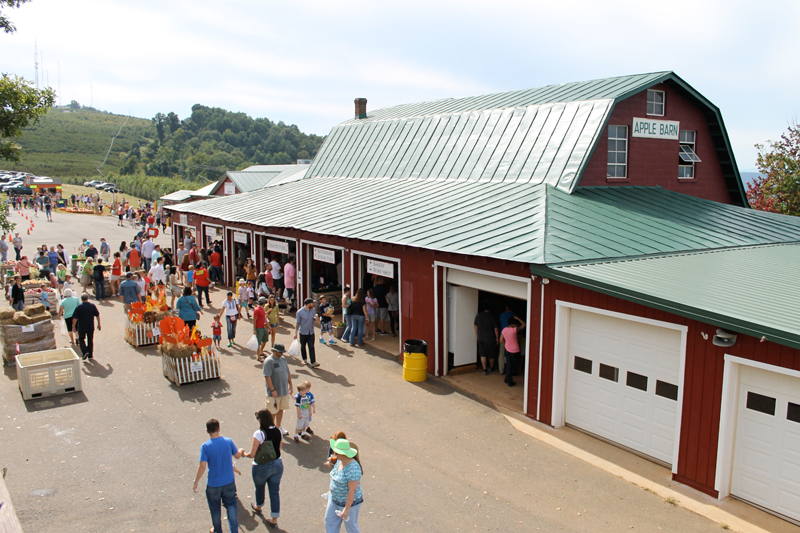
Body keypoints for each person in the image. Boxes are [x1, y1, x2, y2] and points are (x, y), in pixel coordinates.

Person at [193, 419, 246, 533]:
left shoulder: (205, 446)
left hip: (213, 484)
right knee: (231, 506)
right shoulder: (228, 441)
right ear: (219, 428)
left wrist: (196, 481)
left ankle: (217, 530)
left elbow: (202, 466)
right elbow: (237, 455)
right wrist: (241, 451)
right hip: (229, 482)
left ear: (207, 431)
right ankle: (234, 531)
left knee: (215, 510)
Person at [244, 409, 283, 527]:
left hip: (262, 466)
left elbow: (252, 454)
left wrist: (243, 454)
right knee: (274, 491)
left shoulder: (259, 433)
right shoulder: (278, 431)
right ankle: (274, 519)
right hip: (277, 464)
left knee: (260, 487)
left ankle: (258, 506)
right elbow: (279, 449)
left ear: (261, 419)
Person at [325, 438, 364, 533]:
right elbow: (335, 477)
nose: (334, 453)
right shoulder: (339, 461)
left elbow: (352, 490)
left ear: (342, 453)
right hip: (334, 500)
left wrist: (346, 509)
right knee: (330, 522)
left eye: (336, 452)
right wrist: (331, 491)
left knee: (351, 527)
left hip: (349, 504)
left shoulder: (353, 468)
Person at [263, 343, 293, 436]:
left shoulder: (283, 359)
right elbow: (267, 377)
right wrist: (272, 390)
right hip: (274, 393)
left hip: (283, 391)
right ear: (274, 351)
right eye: (280, 352)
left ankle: (278, 426)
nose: (282, 354)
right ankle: (271, 429)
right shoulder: (268, 361)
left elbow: (287, 372)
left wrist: (291, 385)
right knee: (272, 411)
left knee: (281, 409)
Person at [72, 293, 101, 360]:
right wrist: (99, 324)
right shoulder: (92, 306)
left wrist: (73, 326)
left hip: (82, 326)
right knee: (90, 340)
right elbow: (97, 315)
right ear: (87, 298)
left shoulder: (79, 307)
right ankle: (90, 355)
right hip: (90, 326)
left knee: (81, 339)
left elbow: (75, 318)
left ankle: (85, 351)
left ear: (81, 299)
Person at [294, 298, 321, 368]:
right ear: (308, 304)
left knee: (311, 346)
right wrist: (295, 333)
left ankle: (313, 362)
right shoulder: (299, 312)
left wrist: (315, 318)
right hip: (303, 332)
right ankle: (304, 359)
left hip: (311, 332)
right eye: (312, 303)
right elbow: (297, 323)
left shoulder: (313, 310)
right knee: (303, 346)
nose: (313, 305)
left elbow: (313, 318)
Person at [500, 316, 526, 387]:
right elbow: (524, 325)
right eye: (516, 324)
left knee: (509, 365)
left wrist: (508, 341)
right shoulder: (514, 330)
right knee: (511, 366)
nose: (517, 325)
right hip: (515, 350)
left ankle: (506, 379)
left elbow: (501, 340)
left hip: (507, 349)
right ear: (513, 324)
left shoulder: (504, 330)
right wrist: (518, 318)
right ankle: (510, 382)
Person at [474, 304, 499, 375]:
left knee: (483, 354)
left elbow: (475, 326)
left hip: (481, 338)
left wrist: (477, 335)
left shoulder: (478, 315)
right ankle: (491, 367)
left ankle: (484, 369)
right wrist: (497, 338)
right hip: (490, 339)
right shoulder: (492, 317)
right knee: (491, 354)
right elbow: (496, 329)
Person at [253, 296, 269, 362]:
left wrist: (268, 325)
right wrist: (254, 329)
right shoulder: (257, 310)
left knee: (265, 339)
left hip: (263, 327)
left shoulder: (263, 309)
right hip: (258, 328)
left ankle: (261, 351)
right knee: (258, 343)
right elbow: (254, 320)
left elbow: (264, 317)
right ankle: (258, 356)